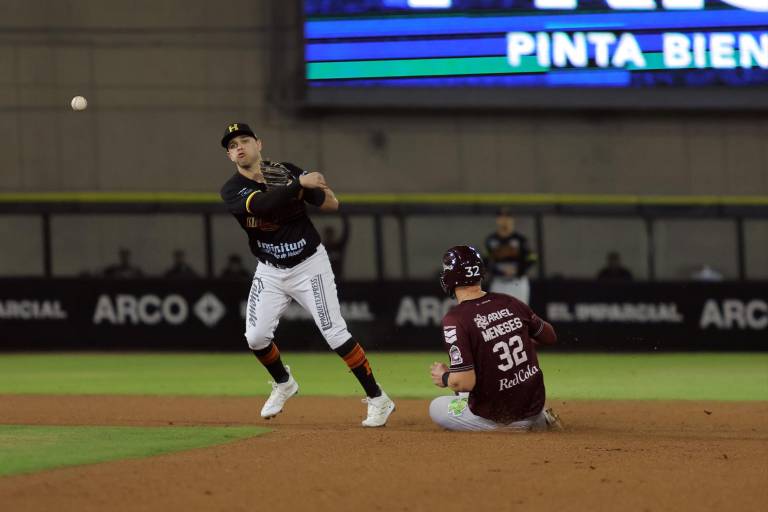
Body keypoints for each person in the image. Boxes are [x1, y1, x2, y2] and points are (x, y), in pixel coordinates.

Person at [218, 122, 395, 427]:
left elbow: (330, 204)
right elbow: (261, 206)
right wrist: (298, 185)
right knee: (255, 337)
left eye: (245, 140)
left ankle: (378, 399)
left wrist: (317, 187)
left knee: (334, 331)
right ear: (230, 156)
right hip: (271, 270)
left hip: (309, 264)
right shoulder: (232, 189)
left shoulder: (286, 171)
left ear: (259, 143)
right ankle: (284, 383)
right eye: (233, 146)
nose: (240, 147)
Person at [428, 245, 562, 432]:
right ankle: (540, 417)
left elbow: (463, 383)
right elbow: (549, 336)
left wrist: (444, 376)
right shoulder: (509, 301)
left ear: (451, 277)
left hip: (498, 415)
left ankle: (505, 427)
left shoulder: (455, 319)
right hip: (533, 407)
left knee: (437, 406)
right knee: (465, 386)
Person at [484, 208, 535, 304]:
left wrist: (518, 270)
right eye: (501, 217)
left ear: (512, 220)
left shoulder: (520, 239)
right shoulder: (491, 240)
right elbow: (485, 262)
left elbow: (532, 258)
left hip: (517, 283)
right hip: (499, 282)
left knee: (519, 315)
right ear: (497, 220)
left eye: (508, 217)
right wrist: (498, 271)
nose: (505, 220)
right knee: (498, 315)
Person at [322, 215, 350, 281]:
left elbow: (346, 234)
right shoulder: (321, 249)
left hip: (339, 278)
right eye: (327, 234)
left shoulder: (338, 246)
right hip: (327, 279)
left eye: (330, 234)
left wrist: (344, 216)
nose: (329, 236)